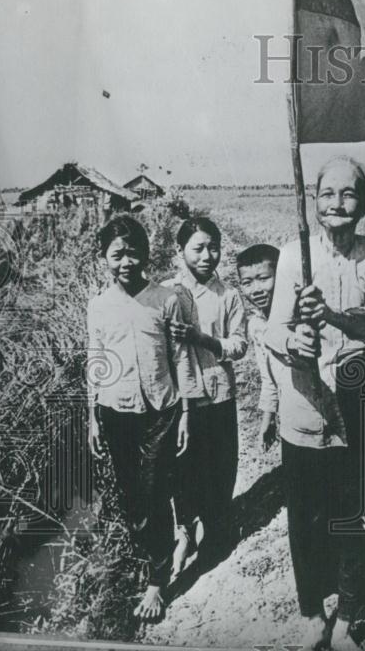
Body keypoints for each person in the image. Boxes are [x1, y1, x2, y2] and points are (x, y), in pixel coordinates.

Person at [262, 156, 365, 651]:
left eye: (349, 193)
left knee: (358, 509)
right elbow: (274, 327)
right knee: (306, 514)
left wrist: (334, 318)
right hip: (305, 406)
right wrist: (293, 341)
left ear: (364, 202)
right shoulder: (292, 255)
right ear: (313, 202)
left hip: (361, 406)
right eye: (327, 194)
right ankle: (312, 610)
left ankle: (352, 614)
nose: (337, 203)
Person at [86, 215, 197, 620]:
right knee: (133, 497)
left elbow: (181, 359)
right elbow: (96, 362)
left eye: (134, 252)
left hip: (161, 411)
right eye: (117, 255)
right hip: (116, 413)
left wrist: (185, 411)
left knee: (152, 491)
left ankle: (157, 580)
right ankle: (165, 543)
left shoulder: (165, 299)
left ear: (146, 254)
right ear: (104, 258)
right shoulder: (97, 306)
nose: (126, 262)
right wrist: (93, 418)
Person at [163, 217, 248, 570]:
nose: (207, 256)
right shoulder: (168, 293)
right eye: (197, 248)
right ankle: (185, 528)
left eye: (213, 247)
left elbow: (239, 345)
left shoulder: (228, 295)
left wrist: (203, 339)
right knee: (183, 467)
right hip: (180, 397)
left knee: (221, 464)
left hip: (218, 393)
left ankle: (216, 529)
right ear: (180, 251)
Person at [234, 243, 282, 452]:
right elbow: (269, 377)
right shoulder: (256, 325)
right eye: (247, 282)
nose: (256, 289)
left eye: (264, 279)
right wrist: (269, 418)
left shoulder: (305, 317)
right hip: (290, 420)